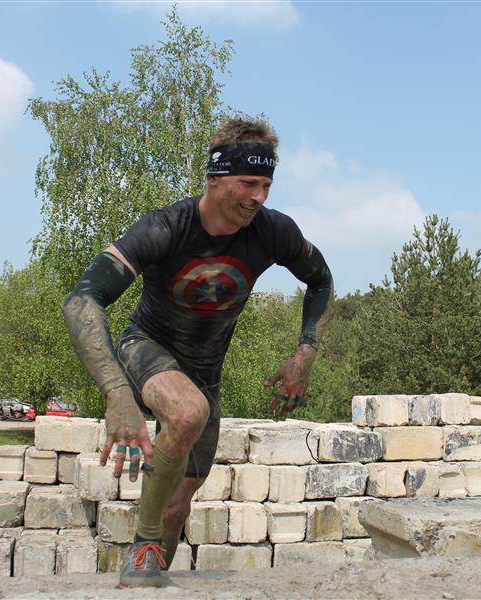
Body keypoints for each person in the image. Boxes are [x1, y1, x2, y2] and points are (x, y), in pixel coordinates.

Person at [61, 117, 334, 587]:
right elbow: (81, 300)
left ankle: (147, 580)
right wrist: (116, 393)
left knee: (177, 504)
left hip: (206, 373)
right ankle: (142, 548)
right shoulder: (165, 228)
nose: (259, 197)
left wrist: (303, 357)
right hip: (146, 348)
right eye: (248, 183)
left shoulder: (274, 232)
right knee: (188, 411)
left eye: (267, 185)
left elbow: (321, 280)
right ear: (214, 177)